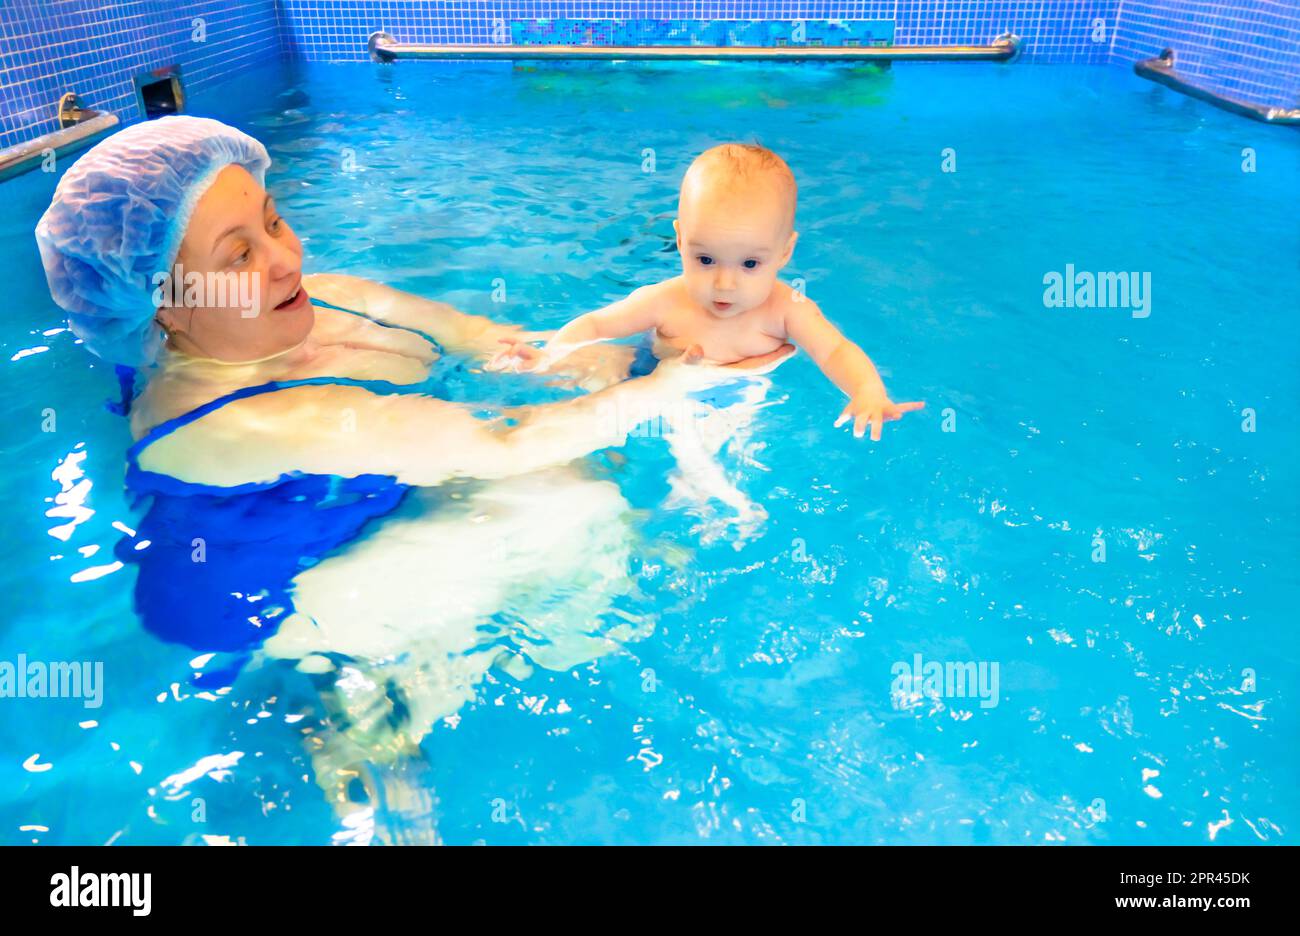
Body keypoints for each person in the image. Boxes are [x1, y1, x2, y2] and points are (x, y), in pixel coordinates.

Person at [34, 115, 794, 826]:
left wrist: (639, 350)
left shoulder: (314, 299)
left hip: (364, 501)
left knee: (577, 468)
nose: (286, 257)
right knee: (573, 504)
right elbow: (502, 445)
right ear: (164, 306)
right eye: (240, 255)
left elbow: (492, 341)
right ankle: (370, 716)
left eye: (273, 220)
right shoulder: (241, 419)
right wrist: (664, 391)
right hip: (274, 604)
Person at [490, 142, 924, 441]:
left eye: (750, 264)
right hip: (650, 374)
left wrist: (867, 390)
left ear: (784, 252)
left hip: (736, 399)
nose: (724, 283)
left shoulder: (787, 309)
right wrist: (550, 353)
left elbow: (834, 351)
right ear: (680, 242)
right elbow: (599, 323)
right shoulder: (665, 299)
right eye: (705, 259)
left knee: (715, 468)